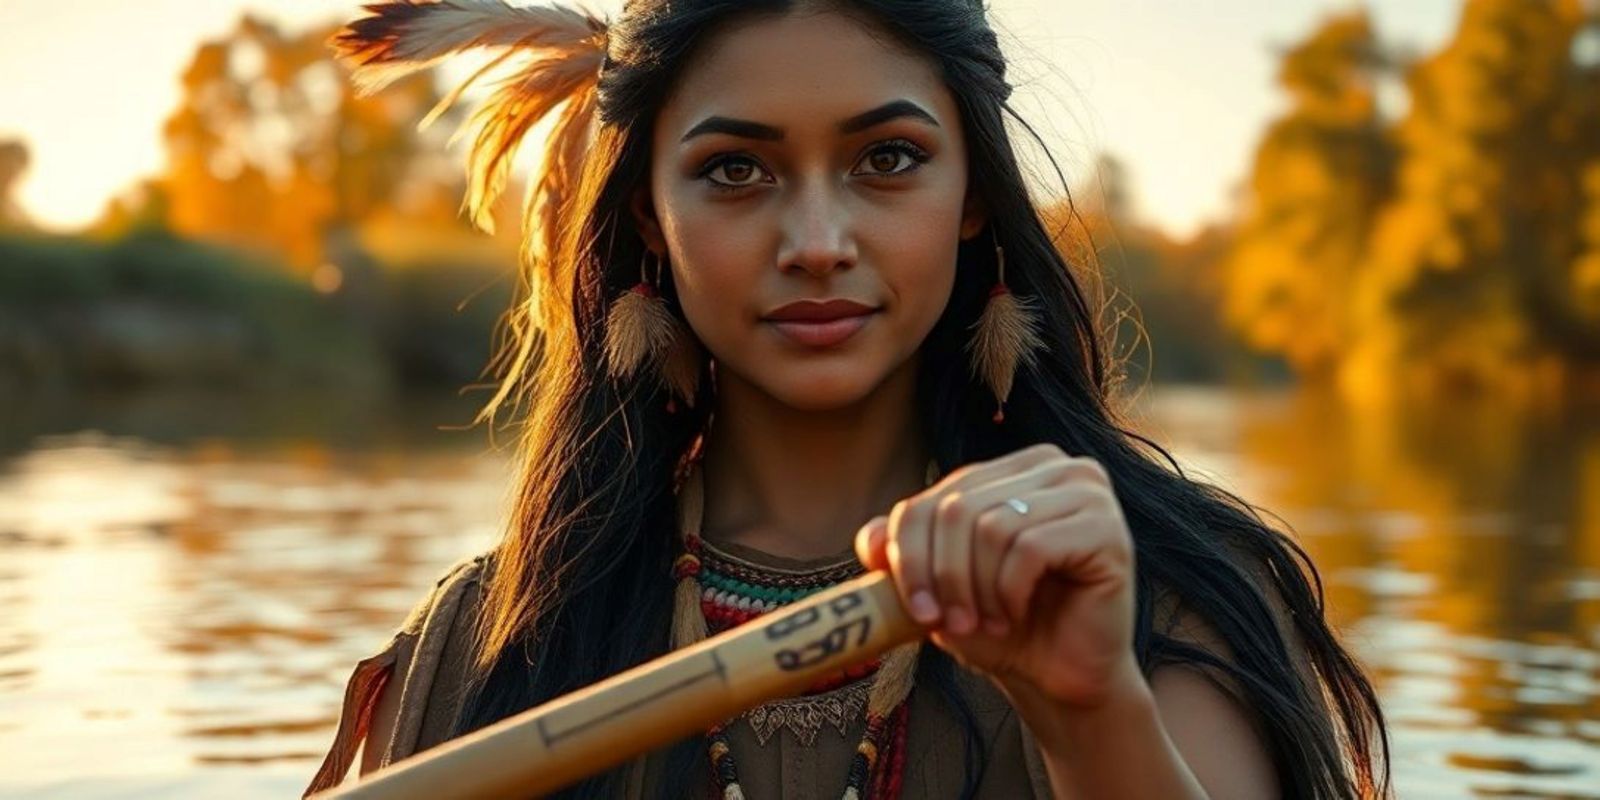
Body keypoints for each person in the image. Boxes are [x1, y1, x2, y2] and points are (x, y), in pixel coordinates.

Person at [305, 1, 1392, 798]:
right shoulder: (494, 640)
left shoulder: (1162, 605)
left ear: (972, 195)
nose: (817, 244)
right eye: (736, 170)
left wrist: (1090, 715)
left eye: (887, 157)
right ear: (648, 218)